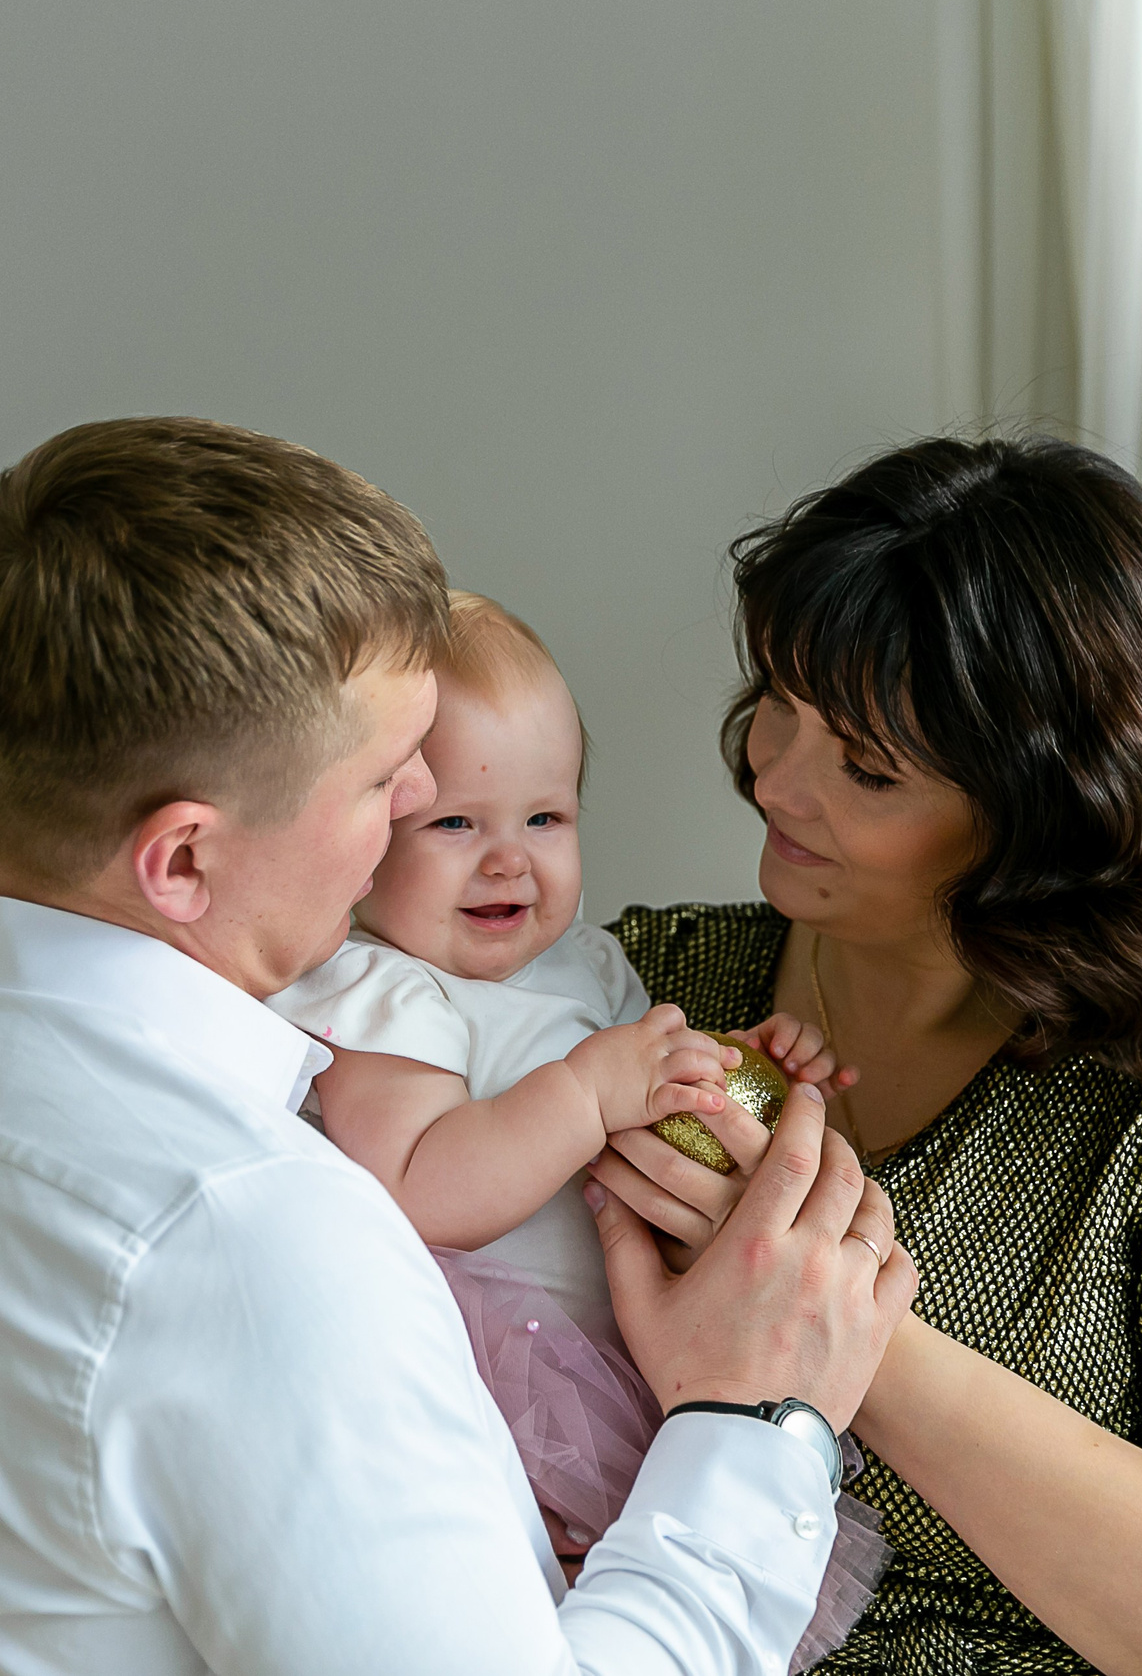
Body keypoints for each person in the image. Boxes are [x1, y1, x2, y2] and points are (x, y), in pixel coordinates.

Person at [0, 417, 917, 1676]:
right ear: (182, 859)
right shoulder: (248, 1228)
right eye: (385, 782)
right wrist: (753, 1416)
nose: (412, 817)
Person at [588, 435, 1142, 1676]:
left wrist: (842, 1327)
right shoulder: (640, 992)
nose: (776, 784)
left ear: (1043, 816)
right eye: (779, 709)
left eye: (867, 767)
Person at [264, 591, 884, 1667]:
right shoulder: (378, 993)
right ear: (366, 832)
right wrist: (586, 1094)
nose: (509, 860)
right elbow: (415, 1190)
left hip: (617, 1366)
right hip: (488, 1381)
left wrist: (734, 1071)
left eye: (545, 819)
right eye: (455, 824)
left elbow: (640, 1100)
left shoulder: (586, 964)